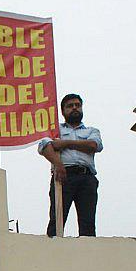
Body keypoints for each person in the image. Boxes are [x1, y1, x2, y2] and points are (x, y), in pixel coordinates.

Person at [38, 94, 103, 237]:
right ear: (62, 111)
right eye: (70, 106)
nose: (74, 108)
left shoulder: (92, 131)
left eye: (77, 105)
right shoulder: (55, 130)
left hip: (87, 177)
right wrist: (58, 164)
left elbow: (93, 145)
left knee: (88, 224)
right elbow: (44, 146)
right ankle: (53, 252)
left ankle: (87, 253)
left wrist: (65, 143)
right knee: (57, 221)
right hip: (63, 176)